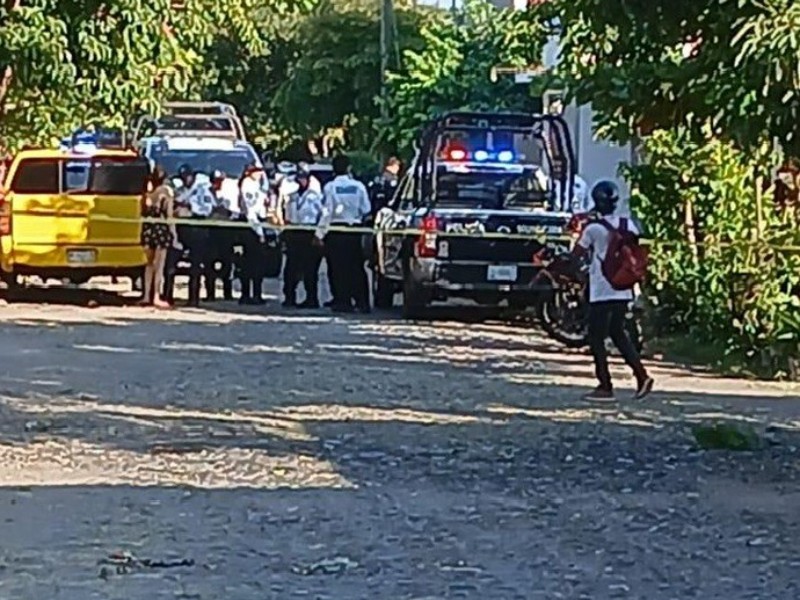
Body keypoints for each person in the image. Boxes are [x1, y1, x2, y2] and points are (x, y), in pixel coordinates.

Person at [572, 180, 654, 402]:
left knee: (596, 336)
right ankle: (641, 375)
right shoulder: (629, 225)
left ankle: (605, 385)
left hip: (601, 288)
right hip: (624, 286)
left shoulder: (593, 229)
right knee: (618, 332)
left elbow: (576, 254)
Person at [319, 154, 371, 313]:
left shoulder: (330, 187)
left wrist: (319, 233)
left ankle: (342, 301)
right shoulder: (359, 186)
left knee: (337, 267)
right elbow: (366, 209)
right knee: (356, 267)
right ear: (349, 168)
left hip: (335, 231)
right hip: (354, 230)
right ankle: (362, 302)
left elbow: (326, 212)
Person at [165, 165, 215, 307]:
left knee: (196, 265)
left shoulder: (202, 190)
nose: (186, 179)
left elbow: (207, 209)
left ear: (192, 176)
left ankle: (193, 298)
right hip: (182, 228)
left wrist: (191, 207)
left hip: (198, 228)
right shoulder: (181, 190)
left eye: (187, 176)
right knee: (171, 263)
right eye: (183, 177)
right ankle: (168, 295)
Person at [282, 169, 325, 308]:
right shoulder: (292, 196)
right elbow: (287, 215)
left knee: (310, 269)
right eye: (299, 178)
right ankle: (289, 297)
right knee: (291, 269)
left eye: (304, 178)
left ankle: (312, 299)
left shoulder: (315, 196)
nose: (302, 181)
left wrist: (318, 234)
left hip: (309, 232)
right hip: (294, 232)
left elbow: (322, 216)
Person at [140, 166, 178, 308]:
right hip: (161, 230)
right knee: (159, 265)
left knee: (148, 265)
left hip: (147, 229)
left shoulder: (147, 194)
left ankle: (145, 295)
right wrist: (175, 236)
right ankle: (156, 295)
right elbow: (169, 216)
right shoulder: (166, 193)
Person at [238, 165, 269, 305]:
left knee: (258, 265)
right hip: (251, 227)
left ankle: (257, 294)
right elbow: (250, 212)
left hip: (258, 223)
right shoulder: (247, 185)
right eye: (256, 171)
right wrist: (259, 232)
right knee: (249, 264)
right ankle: (247, 295)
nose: (259, 173)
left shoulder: (257, 185)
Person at [206, 170, 238, 301]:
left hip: (226, 231)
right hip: (211, 231)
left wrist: (227, 211)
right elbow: (206, 209)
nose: (217, 184)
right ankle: (210, 293)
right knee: (209, 264)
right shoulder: (206, 193)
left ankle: (227, 292)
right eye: (215, 181)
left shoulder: (228, 193)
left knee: (227, 263)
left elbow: (234, 212)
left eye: (220, 181)